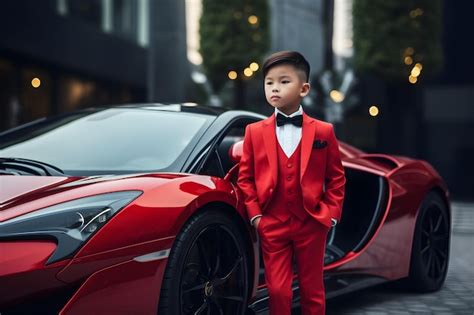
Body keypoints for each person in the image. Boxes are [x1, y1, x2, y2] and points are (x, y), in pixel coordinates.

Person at [237, 50, 346, 315]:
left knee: (312, 289)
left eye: (284, 81)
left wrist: (330, 215)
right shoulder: (254, 132)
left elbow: (336, 178)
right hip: (272, 222)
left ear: (304, 88)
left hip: (311, 222)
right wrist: (256, 218)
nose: (275, 88)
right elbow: (246, 178)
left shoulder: (323, 131)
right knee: (277, 290)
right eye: (269, 82)